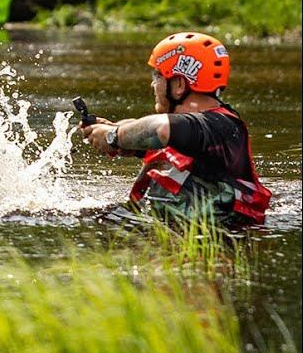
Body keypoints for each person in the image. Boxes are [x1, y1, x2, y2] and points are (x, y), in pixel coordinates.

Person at [80, 32, 272, 226]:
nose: (153, 84)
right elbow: (163, 141)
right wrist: (118, 136)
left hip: (224, 242)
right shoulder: (196, 132)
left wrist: (114, 136)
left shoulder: (221, 126)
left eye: (157, 76)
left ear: (179, 84)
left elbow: (161, 128)